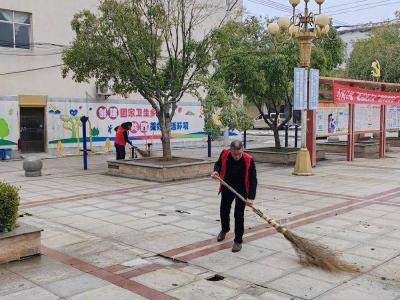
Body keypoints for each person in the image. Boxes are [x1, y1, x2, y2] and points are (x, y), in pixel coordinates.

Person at [212, 140, 257, 253]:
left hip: (242, 190)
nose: (236, 156)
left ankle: (238, 240)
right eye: (234, 154)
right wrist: (216, 171)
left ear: (242, 150)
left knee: (238, 215)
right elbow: (218, 164)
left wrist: (251, 197)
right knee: (224, 210)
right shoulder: (225, 153)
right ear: (230, 150)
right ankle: (225, 229)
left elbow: (253, 180)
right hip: (227, 187)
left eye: (239, 154)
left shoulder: (248, 159)